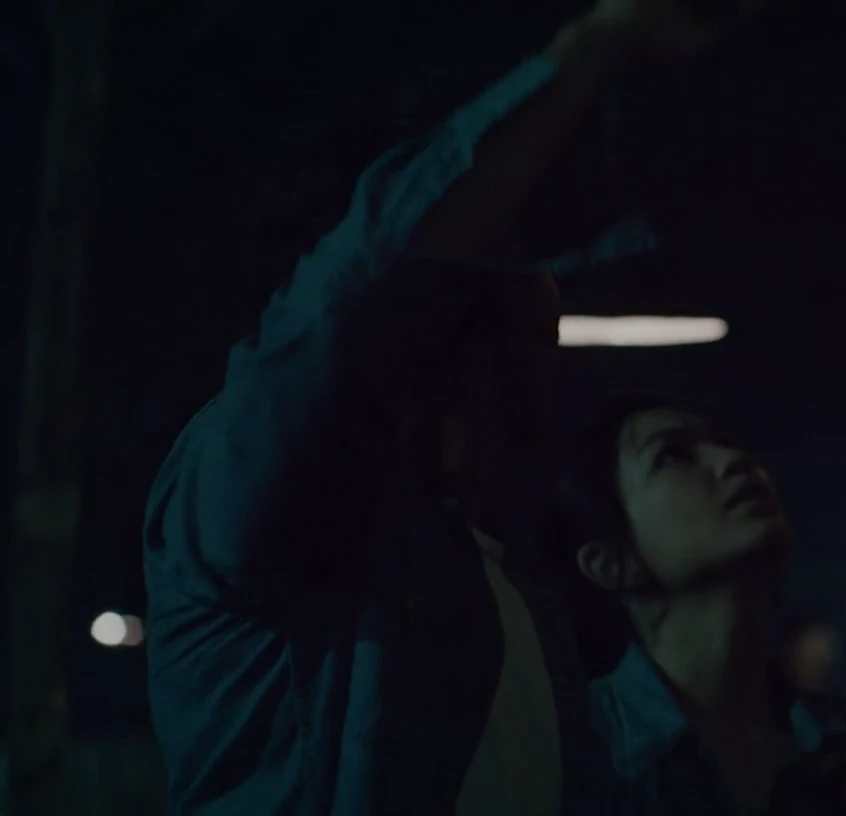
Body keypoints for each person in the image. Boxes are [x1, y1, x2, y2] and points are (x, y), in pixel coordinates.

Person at [140, 1, 757, 812]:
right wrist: (595, 46)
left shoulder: (509, 583)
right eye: (520, 252)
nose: (553, 296)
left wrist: (804, 765)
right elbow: (371, 274)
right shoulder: (246, 484)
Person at [550, 396, 846, 815]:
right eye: (671, 456)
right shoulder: (566, 747)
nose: (734, 460)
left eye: (728, 444)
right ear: (613, 563)